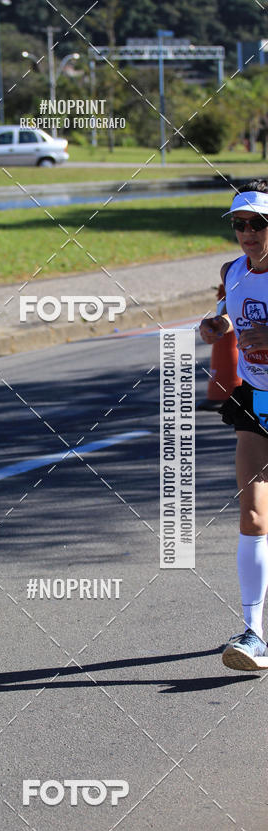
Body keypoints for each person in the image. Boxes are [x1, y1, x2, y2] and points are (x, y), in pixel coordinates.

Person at [200, 180, 268, 670]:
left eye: (258, 223)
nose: (247, 232)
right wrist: (216, 325)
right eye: (239, 224)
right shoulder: (234, 271)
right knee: (253, 514)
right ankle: (254, 634)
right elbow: (228, 315)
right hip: (256, 399)